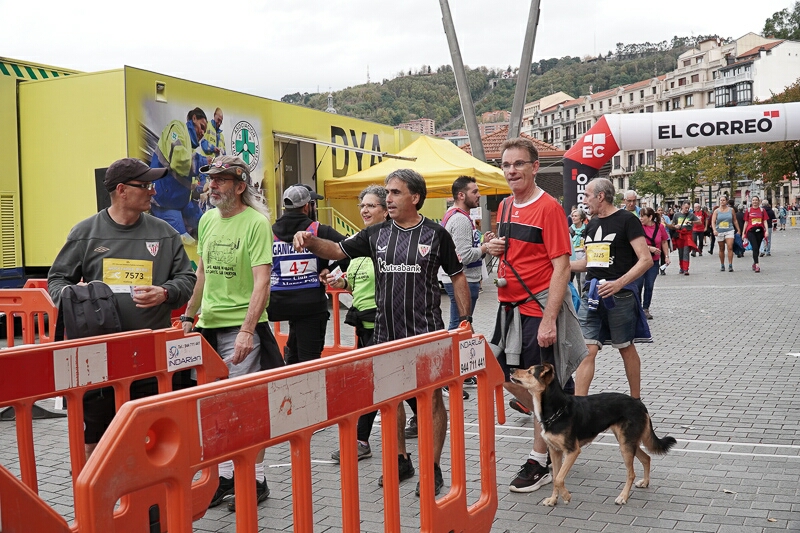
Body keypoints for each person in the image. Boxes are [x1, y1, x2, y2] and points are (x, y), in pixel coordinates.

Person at [293, 168, 472, 497]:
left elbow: (458, 276)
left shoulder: (436, 234)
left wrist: (466, 319)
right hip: (386, 335)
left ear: (414, 197)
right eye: (386, 193)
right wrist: (310, 239)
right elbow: (336, 251)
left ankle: (432, 469)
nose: (387, 199)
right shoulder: (375, 235)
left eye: (394, 193)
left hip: (426, 335)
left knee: (431, 402)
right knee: (390, 403)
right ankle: (401, 460)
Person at [47, 157, 196, 458]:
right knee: (96, 439)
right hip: (99, 357)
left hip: (150, 357)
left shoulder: (164, 234)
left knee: (151, 435)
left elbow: (187, 278)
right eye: (146, 186)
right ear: (122, 191)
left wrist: (165, 293)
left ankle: (147, 501)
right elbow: (56, 282)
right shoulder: (85, 233)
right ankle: (101, 501)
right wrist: (77, 295)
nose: (153, 192)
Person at [180, 155, 283, 512]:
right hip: (207, 328)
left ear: (240, 187)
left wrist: (246, 331)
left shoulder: (256, 222)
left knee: (239, 406)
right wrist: (189, 316)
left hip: (241, 330)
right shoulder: (207, 220)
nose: (212, 185)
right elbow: (203, 274)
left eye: (221, 180)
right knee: (213, 408)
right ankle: (225, 478)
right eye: (211, 179)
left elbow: (262, 282)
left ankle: (254, 480)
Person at [484, 137, 586, 494]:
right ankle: (562, 419)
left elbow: (561, 268)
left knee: (537, 384)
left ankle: (538, 459)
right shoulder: (506, 207)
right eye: (506, 165)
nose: (511, 170)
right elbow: (513, 253)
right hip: (508, 308)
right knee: (502, 374)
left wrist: (548, 320)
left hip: (536, 308)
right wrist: (492, 246)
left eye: (519, 164)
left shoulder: (550, 208)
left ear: (534, 167)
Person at [571, 177, 652, 399]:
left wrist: (619, 283)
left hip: (620, 296)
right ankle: (579, 407)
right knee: (587, 351)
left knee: (625, 348)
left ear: (601, 196)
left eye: (587, 195)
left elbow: (645, 260)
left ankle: (635, 401)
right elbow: (589, 262)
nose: (584, 201)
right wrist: (559, 265)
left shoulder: (627, 220)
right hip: (592, 294)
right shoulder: (592, 224)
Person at [328, 185, 391, 462]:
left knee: (371, 385)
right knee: (383, 385)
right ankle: (423, 419)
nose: (365, 210)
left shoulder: (391, 242)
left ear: (386, 210)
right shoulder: (356, 243)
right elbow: (354, 283)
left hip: (386, 325)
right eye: (362, 206)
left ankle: (361, 440)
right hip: (363, 327)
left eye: (371, 205)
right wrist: (339, 282)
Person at [267, 185, 346, 365]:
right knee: (310, 362)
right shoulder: (319, 231)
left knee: (294, 357)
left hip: (278, 304)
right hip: (310, 305)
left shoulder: (270, 231)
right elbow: (348, 250)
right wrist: (331, 271)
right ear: (306, 207)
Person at [149, 107, 211, 244]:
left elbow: (187, 184)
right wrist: (205, 161)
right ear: (193, 118)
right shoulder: (177, 128)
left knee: (206, 226)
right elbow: (180, 161)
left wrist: (200, 189)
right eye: (202, 127)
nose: (202, 133)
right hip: (165, 203)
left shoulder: (189, 147)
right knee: (185, 242)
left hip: (180, 202)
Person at [636, 207, 670, 320]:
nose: (640, 218)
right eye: (639, 216)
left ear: (650, 217)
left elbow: (664, 242)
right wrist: (649, 248)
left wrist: (666, 257)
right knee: (638, 285)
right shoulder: (638, 227)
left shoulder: (659, 227)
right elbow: (635, 243)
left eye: (642, 216)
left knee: (649, 285)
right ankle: (637, 308)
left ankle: (646, 309)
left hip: (653, 261)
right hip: (640, 260)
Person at [667, 202, 700, 275]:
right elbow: (672, 225)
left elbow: (699, 222)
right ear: (682, 207)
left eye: (688, 208)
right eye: (686, 208)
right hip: (679, 236)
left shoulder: (691, 215)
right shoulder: (676, 215)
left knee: (686, 252)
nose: (687, 209)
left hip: (687, 235)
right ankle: (681, 267)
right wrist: (675, 226)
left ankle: (686, 269)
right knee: (680, 252)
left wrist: (691, 222)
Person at [711, 194, 740, 272]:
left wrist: (738, 230)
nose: (722, 201)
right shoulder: (716, 211)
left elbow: (735, 220)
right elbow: (713, 222)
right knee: (721, 248)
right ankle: (722, 264)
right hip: (719, 231)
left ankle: (730, 265)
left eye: (724, 200)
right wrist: (714, 230)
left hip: (729, 230)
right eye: (721, 200)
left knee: (730, 247)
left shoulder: (731, 210)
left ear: (727, 201)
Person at [742, 196, 769, 273]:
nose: (755, 202)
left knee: (757, 248)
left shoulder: (762, 210)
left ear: (759, 201)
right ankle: (757, 265)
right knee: (755, 247)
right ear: (751, 201)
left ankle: (754, 262)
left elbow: (765, 221)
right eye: (753, 200)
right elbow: (746, 222)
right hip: (751, 231)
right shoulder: (749, 210)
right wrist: (743, 233)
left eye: (756, 200)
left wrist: (766, 231)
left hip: (760, 231)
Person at [569, 208, 588, 290]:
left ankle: (583, 299)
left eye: (576, 216)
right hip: (573, 256)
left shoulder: (587, 229)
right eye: (572, 216)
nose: (573, 218)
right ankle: (578, 298)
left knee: (583, 280)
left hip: (584, 255)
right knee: (576, 279)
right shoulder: (569, 229)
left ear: (581, 218)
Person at [656, 206, 671, 274]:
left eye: (661, 210)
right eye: (659, 210)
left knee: (664, 254)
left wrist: (665, 223)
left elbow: (670, 226)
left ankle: (662, 269)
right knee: (657, 253)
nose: (660, 212)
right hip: (657, 238)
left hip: (665, 238)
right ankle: (656, 267)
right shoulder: (654, 218)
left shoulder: (666, 217)